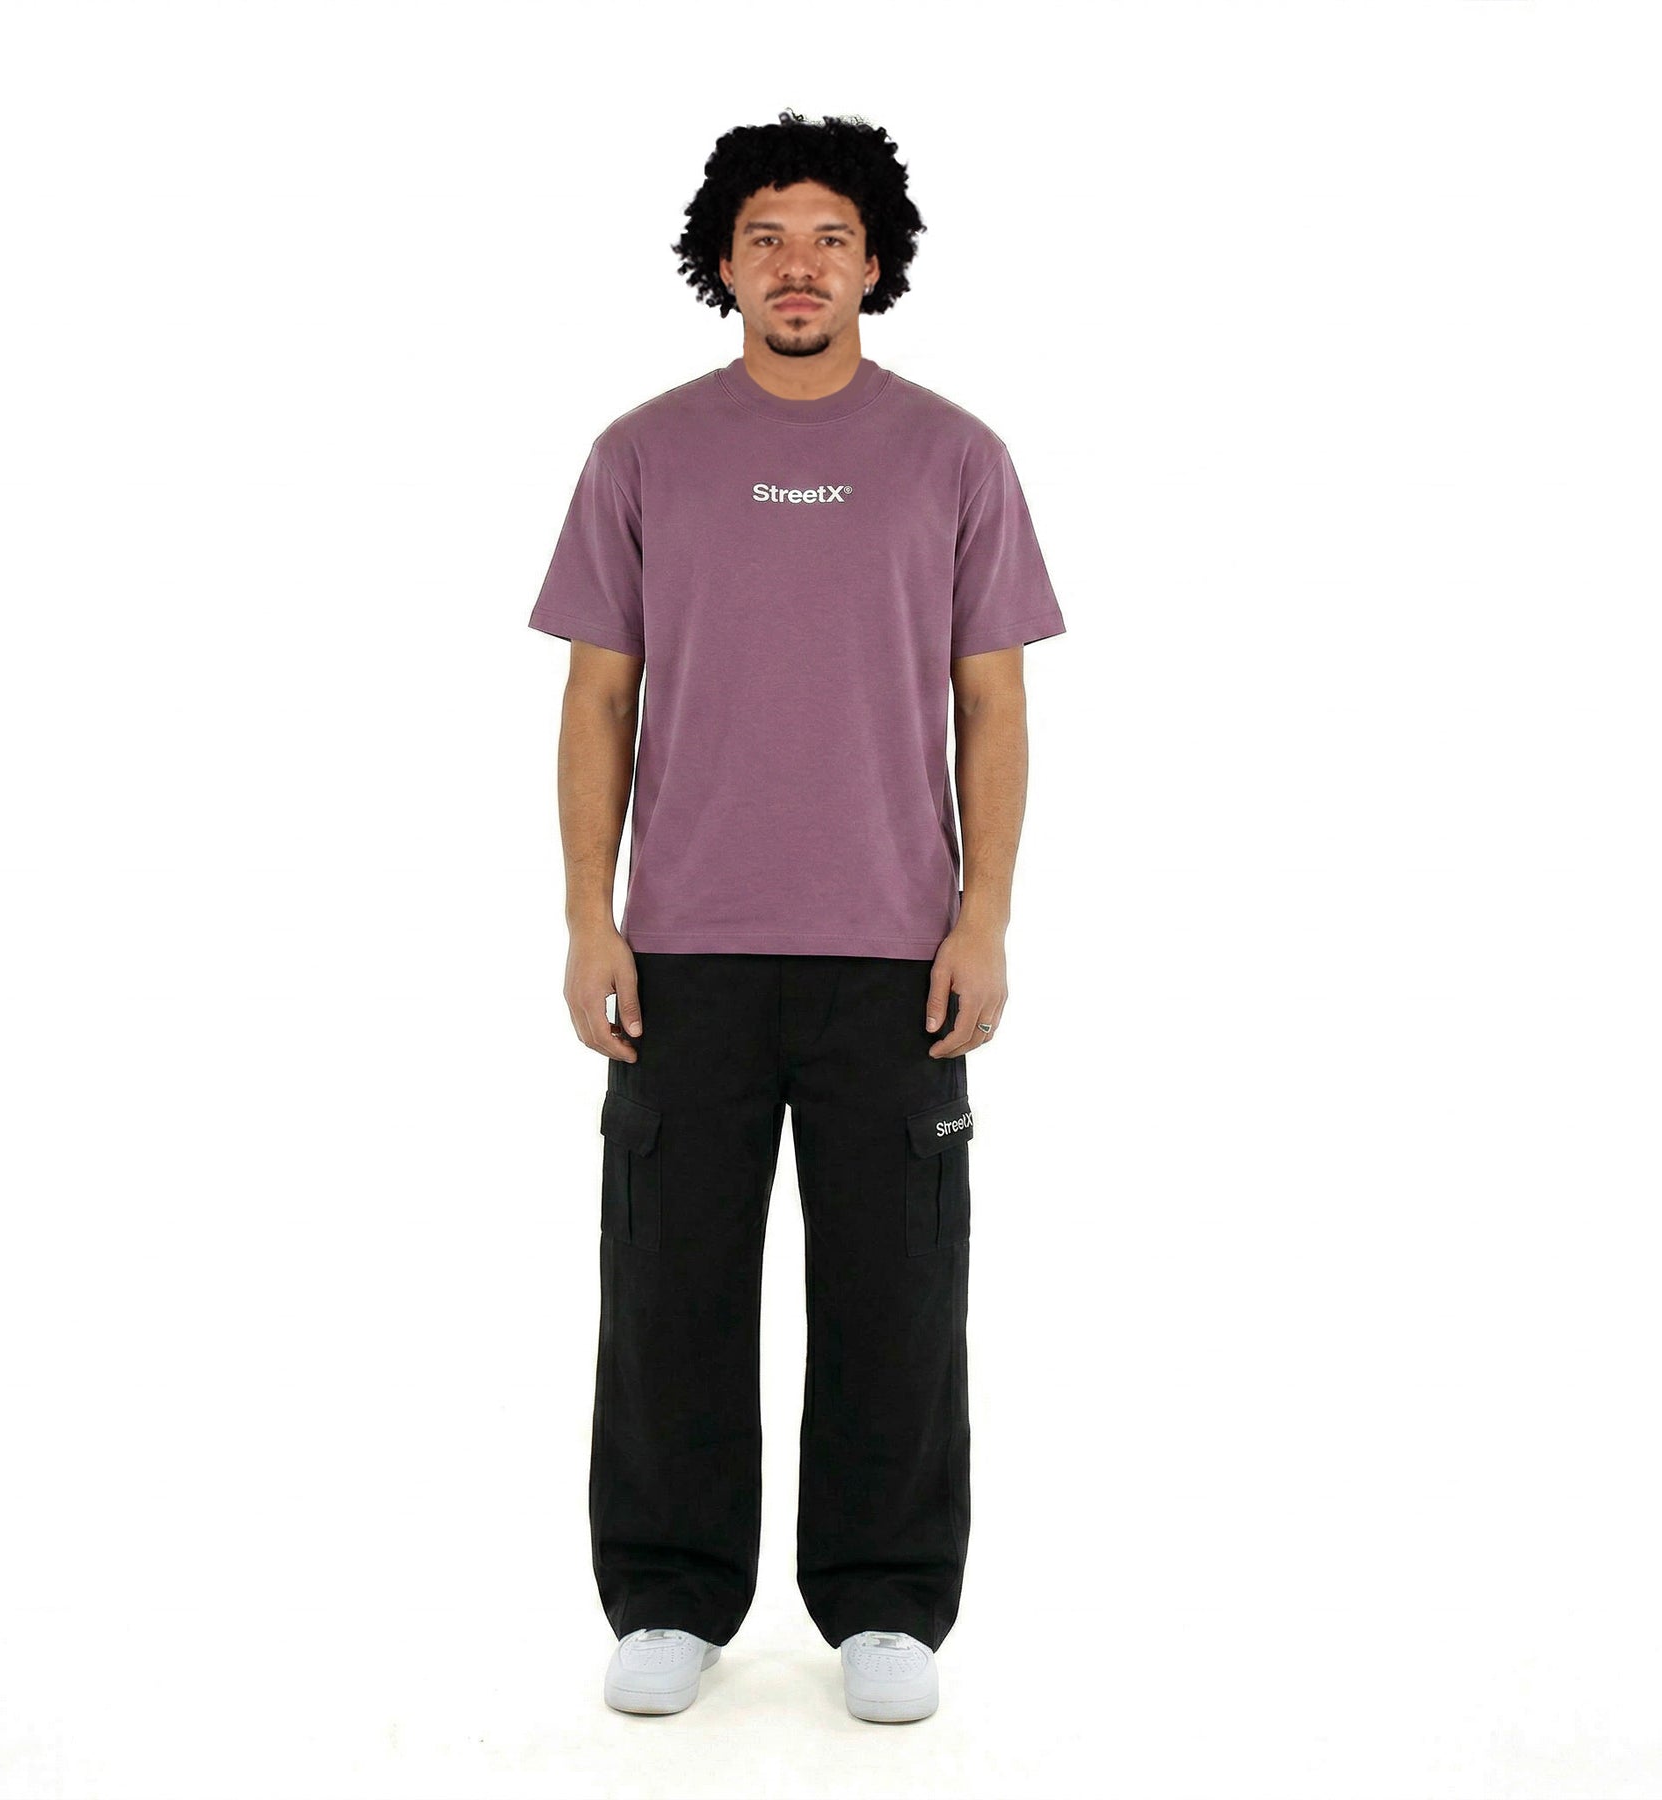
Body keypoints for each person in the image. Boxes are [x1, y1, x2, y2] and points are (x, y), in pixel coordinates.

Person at [527, 109, 1066, 1723]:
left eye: (830, 235)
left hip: (895, 954)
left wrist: (983, 917)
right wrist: (589, 918)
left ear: (877, 261)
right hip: (682, 950)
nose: (799, 264)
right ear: (723, 263)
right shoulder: (641, 454)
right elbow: (597, 699)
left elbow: (994, 703)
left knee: (897, 1292)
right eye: (765, 237)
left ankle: (888, 1605)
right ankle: (669, 1597)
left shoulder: (957, 457)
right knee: (669, 1289)